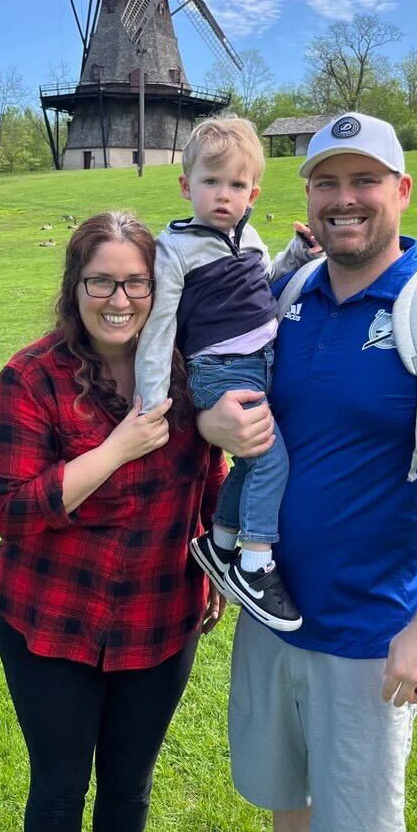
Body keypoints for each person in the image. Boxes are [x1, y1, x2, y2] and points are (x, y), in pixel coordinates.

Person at [197, 112, 417, 832]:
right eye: (326, 182)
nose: (345, 199)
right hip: (272, 615)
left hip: (367, 633)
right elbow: (229, 402)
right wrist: (213, 428)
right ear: (305, 195)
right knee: (288, 802)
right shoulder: (290, 292)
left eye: (363, 180)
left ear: (400, 191)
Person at [0, 212, 227, 832]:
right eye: (100, 282)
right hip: (50, 619)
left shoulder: (186, 371)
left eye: (135, 283)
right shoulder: (31, 378)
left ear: (159, 289)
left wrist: (211, 557)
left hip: (160, 612)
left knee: (129, 783)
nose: (118, 300)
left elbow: (208, 475)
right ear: (74, 285)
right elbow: (10, 509)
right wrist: (116, 448)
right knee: (60, 787)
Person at [134, 116, 312, 632]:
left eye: (236, 185)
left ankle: (220, 540)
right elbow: (161, 326)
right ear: (187, 186)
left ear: (252, 191)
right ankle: (255, 563)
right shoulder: (175, 249)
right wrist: (153, 400)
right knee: (273, 461)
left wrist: (296, 256)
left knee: (255, 464)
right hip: (219, 368)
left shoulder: (249, 235)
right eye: (211, 182)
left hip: (260, 365)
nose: (223, 195)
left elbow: (265, 286)